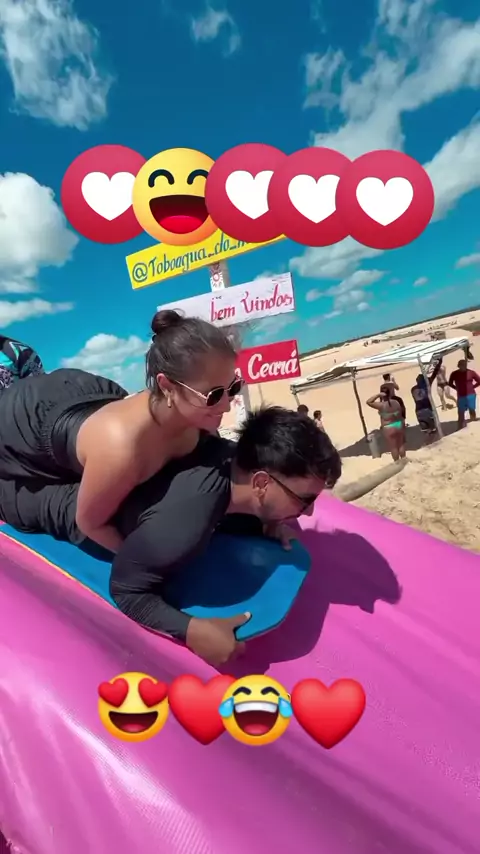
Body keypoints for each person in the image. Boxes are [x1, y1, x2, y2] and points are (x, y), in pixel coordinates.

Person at [0, 406, 342, 666]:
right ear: (262, 482)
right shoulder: (184, 522)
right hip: (31, 496)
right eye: (304, 500)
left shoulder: (226, 457)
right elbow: (128, 590)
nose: (309, 512)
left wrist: (266, 520)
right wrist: (192, 630)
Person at [0, 310, 243, 554]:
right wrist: (138, 557)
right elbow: (90, 523)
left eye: (233, 387)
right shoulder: (123, 449)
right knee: (60, 504)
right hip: (24, 421)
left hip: (84, 395)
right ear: (167, 387)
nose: (226, 405)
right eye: (213, 395)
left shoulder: (197, 420)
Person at [367, 386, 406, 461]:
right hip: (398, 424)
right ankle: (404, 459)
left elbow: (369, 402)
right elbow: (400, 413)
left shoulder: (381, 405)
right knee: (401, 445)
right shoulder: (396, 402)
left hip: (389, 427)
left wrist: (378, 395)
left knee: (393, 447)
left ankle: (397, 462)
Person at [410, 358, 442, 439]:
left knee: (425, 430)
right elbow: (434, 373)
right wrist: (439, 362)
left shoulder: (413, 389)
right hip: (427, 409)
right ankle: (435, 441)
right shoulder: (427, 385)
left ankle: (428, 442)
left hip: (419, 411)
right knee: (433, 429)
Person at [448, 359, 480, 429]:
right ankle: (460, 427)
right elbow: (450, 383)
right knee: (460, 411)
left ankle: (473, 422)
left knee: (472, 409)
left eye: (465, 365)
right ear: (458, 366)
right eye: (462, 365)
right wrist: (456, 388)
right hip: (461, 395)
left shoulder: (471, 372)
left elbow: (479, 381)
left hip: (471, 394)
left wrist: (473, 387)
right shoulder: (454, 374)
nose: (463, 367)